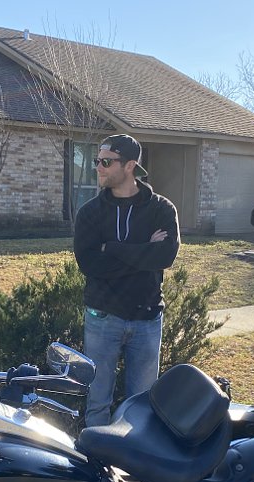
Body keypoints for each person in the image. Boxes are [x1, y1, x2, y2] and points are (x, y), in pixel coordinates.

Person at [73, 134, 180, 427]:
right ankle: (96, 465)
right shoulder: (90, 213)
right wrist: (144, 251)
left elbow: (165, 256)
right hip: (102, 318)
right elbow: (90, 263)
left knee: (142, 405)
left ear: (130, 165)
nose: (99, 167)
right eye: (97, 161)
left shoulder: (161, 209)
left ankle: (135, 465)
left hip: (147, 320)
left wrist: (114, 248)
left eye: (106, 162)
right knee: (97, 403)